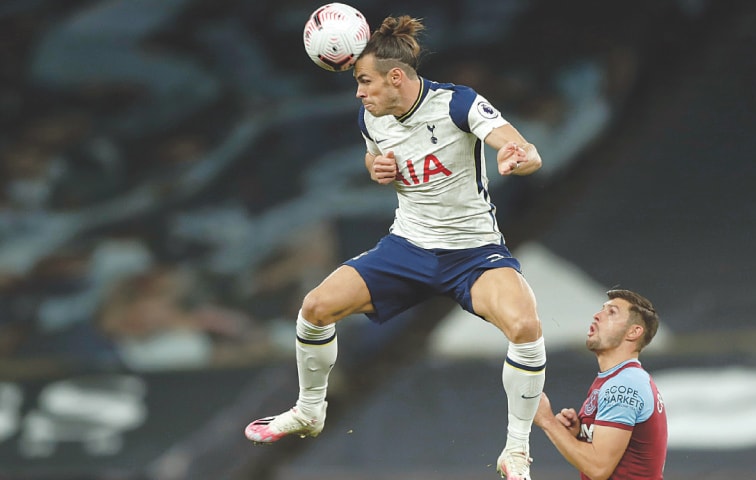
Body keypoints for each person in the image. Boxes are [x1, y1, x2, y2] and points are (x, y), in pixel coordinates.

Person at [245, 15, 547, 480]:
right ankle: (309, 410)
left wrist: (518, 155)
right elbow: (375, 153)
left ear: (397, 77)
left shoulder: (457, 103)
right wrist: (375, 169)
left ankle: (516, 451)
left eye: (364, 81)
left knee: (525, 327)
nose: (359, 93)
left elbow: (520, 146)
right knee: (315, 308)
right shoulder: (372, 115)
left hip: (472, 253)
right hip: (407, 247)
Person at [533, 289, 667, 479]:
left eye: (611, 312)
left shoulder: (624, 384)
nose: (597, 316)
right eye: (602, 310)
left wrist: (547, 421)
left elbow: (598, 468)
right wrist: (582, 434)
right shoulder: (614, 379)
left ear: (634, 331)